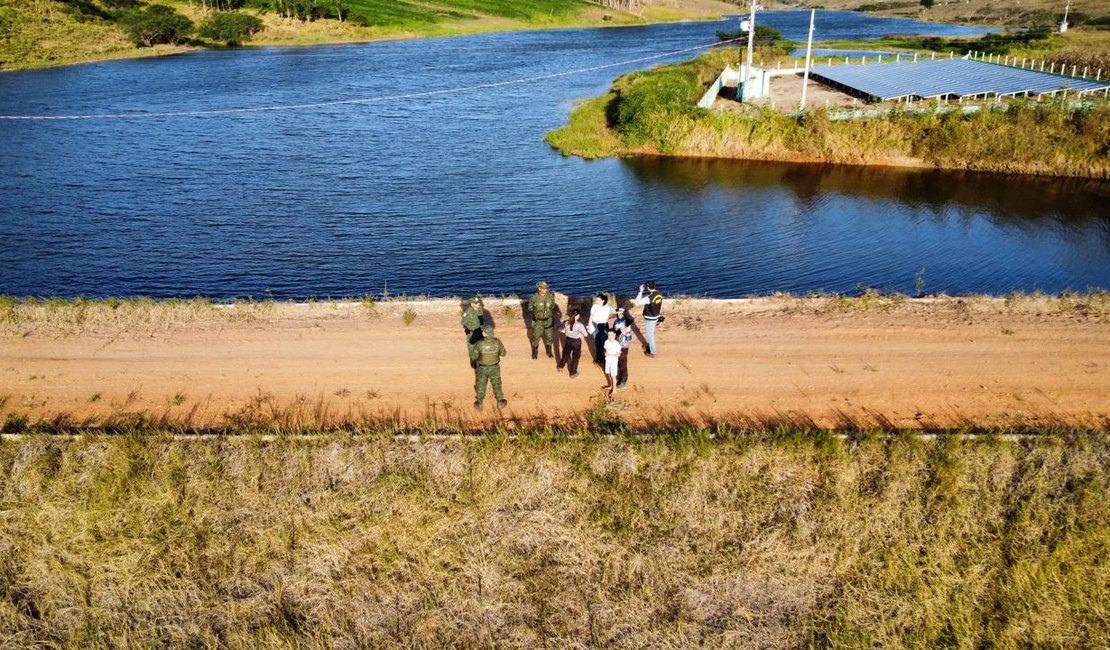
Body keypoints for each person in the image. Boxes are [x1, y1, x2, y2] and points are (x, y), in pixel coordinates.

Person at [470, 324, 507, 411]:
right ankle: (500, 401)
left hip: (482, 368)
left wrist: (474, 362)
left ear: (485, 333)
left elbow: (474, 356)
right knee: (497, 383)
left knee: (481, 384)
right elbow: (503, 354)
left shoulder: (480, 343)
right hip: (494, 367)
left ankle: (479, 402)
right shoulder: (497, 342)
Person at [634, 280, 664, 357]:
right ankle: (650, 346)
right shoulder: (659, 294)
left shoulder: (649, 298)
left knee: (650, 335)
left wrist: (640, 292)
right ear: (654, 286)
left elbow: (637, 302)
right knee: (651, 333)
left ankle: (652, 352)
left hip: (649, 318)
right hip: (656, 316)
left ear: (647, 287)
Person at [528, 280, 556, 360]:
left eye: (546, 288)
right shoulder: (534, 297)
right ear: (539, 288)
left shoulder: (550, 296)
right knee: (536, 336)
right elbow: (530, 308)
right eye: (544, 288)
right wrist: (537, 314)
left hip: (548, 320)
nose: (545, 290)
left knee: (549, 336)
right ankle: (535, 352)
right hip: (538, 321)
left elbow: (552, 305)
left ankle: (549, 351)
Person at [557, 309, 588, 378]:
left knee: (565, 354)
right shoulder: (580, 325)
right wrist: (583, 332)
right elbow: (586, 335)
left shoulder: (566, 323)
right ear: (578, 316)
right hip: (576, 342)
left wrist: (567, 332)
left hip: (568, 340)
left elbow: (561, 330)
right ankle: (573, 373)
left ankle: (560, 367)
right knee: (575, 357)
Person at [587, 293, 613, 365]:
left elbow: (615, 313)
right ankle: (599, 359)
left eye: (598, 300)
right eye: (597, 299)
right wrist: (589, 325)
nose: (597, 301)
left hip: (603, 325)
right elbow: (591, 316)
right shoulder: (595, 306)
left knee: (604, 343)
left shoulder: (608, 307)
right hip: (595, 325)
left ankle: (604, 358)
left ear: (603, 300)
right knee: (597, 342)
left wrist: (608, 317)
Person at [460, 295, 485, 367]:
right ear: (472, 304)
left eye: (478, 302)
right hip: (472, 332)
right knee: (472, 347)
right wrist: (468, 329)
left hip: (479, 331)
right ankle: (473, 360)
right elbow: (463, 322)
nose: (479, 304)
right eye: (477, 303)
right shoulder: (468, 312)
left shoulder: (479, 309)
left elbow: (481, 319)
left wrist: (482, 327)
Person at [614, 309, 634, 388]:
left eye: (621, 313)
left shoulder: (627, 322)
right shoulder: (616, 322)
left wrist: (626, 332)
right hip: (616, 345)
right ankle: (621, 375)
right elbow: (615, 333)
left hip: (624, 346)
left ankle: (624, 379)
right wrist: (619, 331)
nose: (619, 314)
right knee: (618, 362)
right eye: (618, 313)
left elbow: (629, 339)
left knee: (623, 363)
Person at [602, 330, 621, 399]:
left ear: (614, 335)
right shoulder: (606, 341)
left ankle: (614, 390)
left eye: (611, 335)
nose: (609, 336)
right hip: (608, 360)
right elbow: (605, 349)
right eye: (608, 335)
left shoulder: (617, 344)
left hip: (613, 361)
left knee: (613, 375)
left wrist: (610, 354)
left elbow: (618, 354)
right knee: (608, 373)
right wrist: (605, 353)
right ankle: (610, 385)